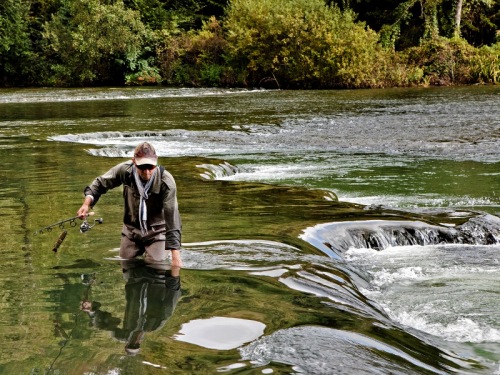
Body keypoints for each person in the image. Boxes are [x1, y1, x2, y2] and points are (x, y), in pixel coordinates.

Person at [77, 142, 182, 267]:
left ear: (156, 161)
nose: (147, 173)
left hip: (157, 232)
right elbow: (100, 183)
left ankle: (161, 253)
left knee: (155, 265)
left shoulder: (166, 182)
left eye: (151, 167)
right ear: (134, 161)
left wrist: (175, 256)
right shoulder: (125, 171)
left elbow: (172, 218)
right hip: (131, 231)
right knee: (126, 264)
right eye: (142, 167)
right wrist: (86, 204)